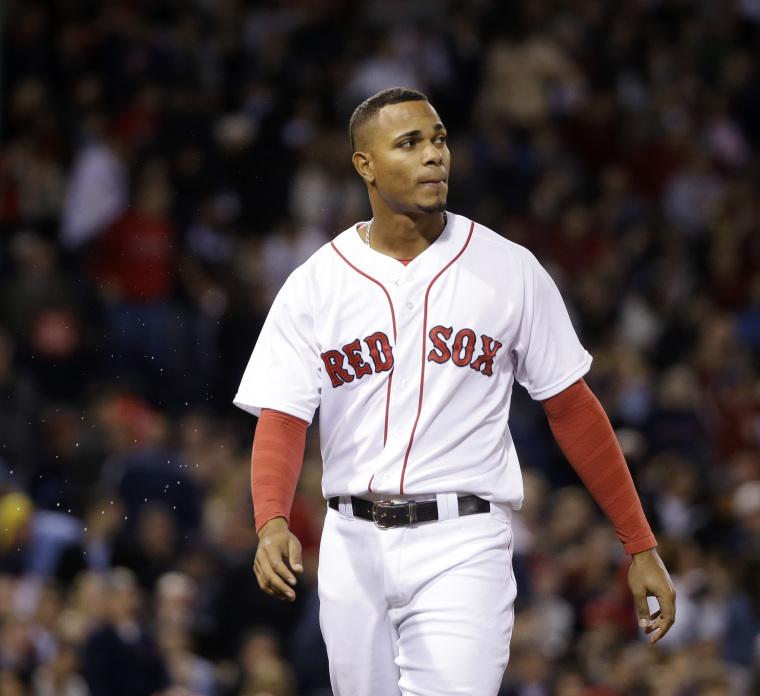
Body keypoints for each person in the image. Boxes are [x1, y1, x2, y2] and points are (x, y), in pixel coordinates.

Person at [234, 87, 676, 696]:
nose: (434, 155)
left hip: (462, 540)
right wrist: (272, 521)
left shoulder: (509, 268)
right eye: (409, 143)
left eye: (439, 139)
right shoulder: (315, 283)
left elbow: (572, 408)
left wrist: (639, 543)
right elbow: (283, 419)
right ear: (364, 164)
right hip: (350, 542)